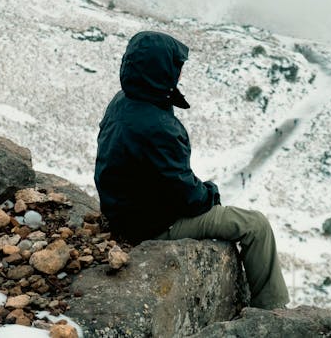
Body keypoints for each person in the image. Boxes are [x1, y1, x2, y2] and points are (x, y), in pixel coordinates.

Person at [94, 30, 290, 309]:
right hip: (149, 225)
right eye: (177, 66)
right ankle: (273, 310)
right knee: (255, 226)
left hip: (122, 210)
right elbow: (186, 196)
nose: (180, 74)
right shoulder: (158, 127)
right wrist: (210, 193)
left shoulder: (124, 101)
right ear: (161, 70)